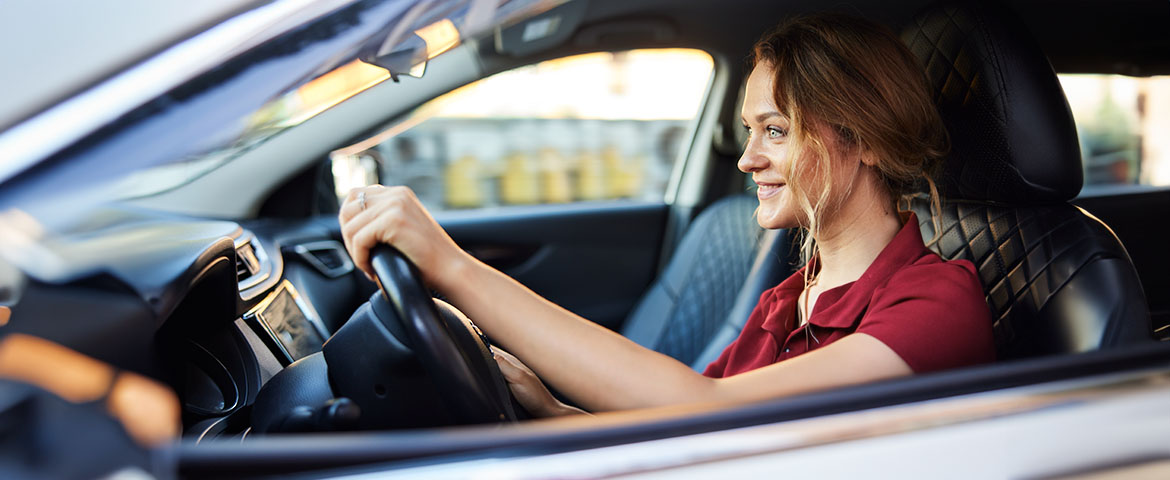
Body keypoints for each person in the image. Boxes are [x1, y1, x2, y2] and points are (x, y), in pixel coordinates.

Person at [338, 13, 994, 417]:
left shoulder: (939, 302)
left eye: (776, 132)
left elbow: (704, 408)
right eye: (748, 130)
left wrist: (451, 266)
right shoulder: (790, 297)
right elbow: (683, 425)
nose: (746, 161)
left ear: (868, 140)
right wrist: (550, 408)